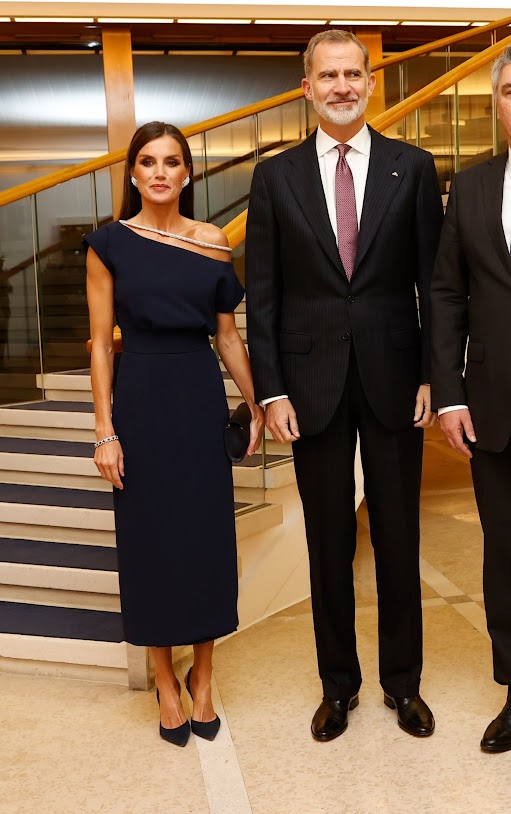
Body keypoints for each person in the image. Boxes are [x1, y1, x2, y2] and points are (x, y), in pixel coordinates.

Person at [246, 29, 443, 741]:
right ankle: (338, 687)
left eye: (352, 73)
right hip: (309, 386)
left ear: (370, 81)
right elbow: (263, 295)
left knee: (397, 537)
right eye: (327, 75)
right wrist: (271, 391)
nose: (341, 86)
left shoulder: (411, 168)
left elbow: (435, 285)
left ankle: (403, 684)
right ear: (306, 88)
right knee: (328, 541)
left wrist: (434, 375)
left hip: (396, 378)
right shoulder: (274, 177)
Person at [85, 121, 264, 748]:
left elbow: (227, 335)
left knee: (206, 540)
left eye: (171, 162)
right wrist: (104, 429)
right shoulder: (109, 244)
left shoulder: (213, 242)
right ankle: (165, 679)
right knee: (151, 542)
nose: (160, 172)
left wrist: (256, 402)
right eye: (148, 162)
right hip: (140, 397)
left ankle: (203, 676)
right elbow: (100, 344)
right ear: (133, 174)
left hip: (197, 396)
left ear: (187, 173)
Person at [431, 46, 511, 753]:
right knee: (505, 554)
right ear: (496, 102)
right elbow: (447, 295)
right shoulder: (473, 186)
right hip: (493, 406)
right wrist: (450, 396)